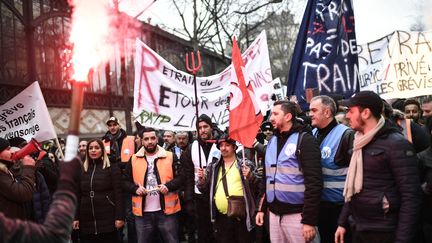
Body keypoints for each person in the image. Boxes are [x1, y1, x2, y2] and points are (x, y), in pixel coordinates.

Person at [335, 91, 422, 243]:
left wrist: (402, 239)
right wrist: (342, 223)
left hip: (385, 231)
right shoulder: (358, 142)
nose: (347, 115)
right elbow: (354, 190)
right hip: (359, 227)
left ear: (366, 113)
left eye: (351, 111)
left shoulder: (396, 144)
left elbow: (411, 197)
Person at [255, 100, 322, 243]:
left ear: (288, 117)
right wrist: (260, 209)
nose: (271, 118)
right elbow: (266, 179)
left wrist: (309, 220)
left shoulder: (305, 141)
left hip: (298, 216)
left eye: (275, 114)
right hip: (273, 214)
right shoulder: (272, 141)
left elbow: (314, 183)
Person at [0, 154, 81, 243]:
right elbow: (22, 193)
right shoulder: (7, 175)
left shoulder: (37, 175)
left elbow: (45, 200)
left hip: (37, 222)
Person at [123, 127, 184, 243]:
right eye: (146, 139)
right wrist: (135, 189)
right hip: (142, 214)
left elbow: (182, 177)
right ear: (141, 141)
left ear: (157, 139)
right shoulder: (133, 159)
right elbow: (124, 182)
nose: (150, 141)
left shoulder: (170, 156)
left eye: (152, 138)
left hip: (167, 212)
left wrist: (168, 186)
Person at [309, 95, 354, 243]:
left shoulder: (346, 135)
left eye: (314, 110)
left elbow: (356, 173)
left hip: (340, 207)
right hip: (320, 205)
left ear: (327, 113)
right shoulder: (313, 133)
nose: (310, 114)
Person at [197, 135, 256, 243]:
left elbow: (258, 184)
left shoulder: (244, 164)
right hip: (221, 218)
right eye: (221, 145)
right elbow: (204, 189)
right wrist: (201, 180)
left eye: (227, 145)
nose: (223, 148)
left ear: (234, 147)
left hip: (241, 217)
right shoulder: (214, 166)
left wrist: (250, 176)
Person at [73, 139, 124, 243]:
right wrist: (75, 217)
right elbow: (77, 195)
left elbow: (119, 194)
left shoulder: (112, 168)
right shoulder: (81, 170)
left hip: (108, 219)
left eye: (96, 148)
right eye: (90, 148)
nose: (93, 150)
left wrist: (120, 217)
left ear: (102, 150)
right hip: (86, 220)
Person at [181, 114, 220, 243]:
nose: (203, 130)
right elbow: (187, 177)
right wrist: (189, 200)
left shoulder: (220, 144)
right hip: (199, 198)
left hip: (218, 195)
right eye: (200, 127)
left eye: (205, 126)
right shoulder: (191, 148)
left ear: (211, 127)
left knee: (219, 231)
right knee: (204, 232)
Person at [0, 138, 36, 220]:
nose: (12, 152)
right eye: (8, 149)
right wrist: (28, 168)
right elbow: (23, 193)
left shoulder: (4, 170)